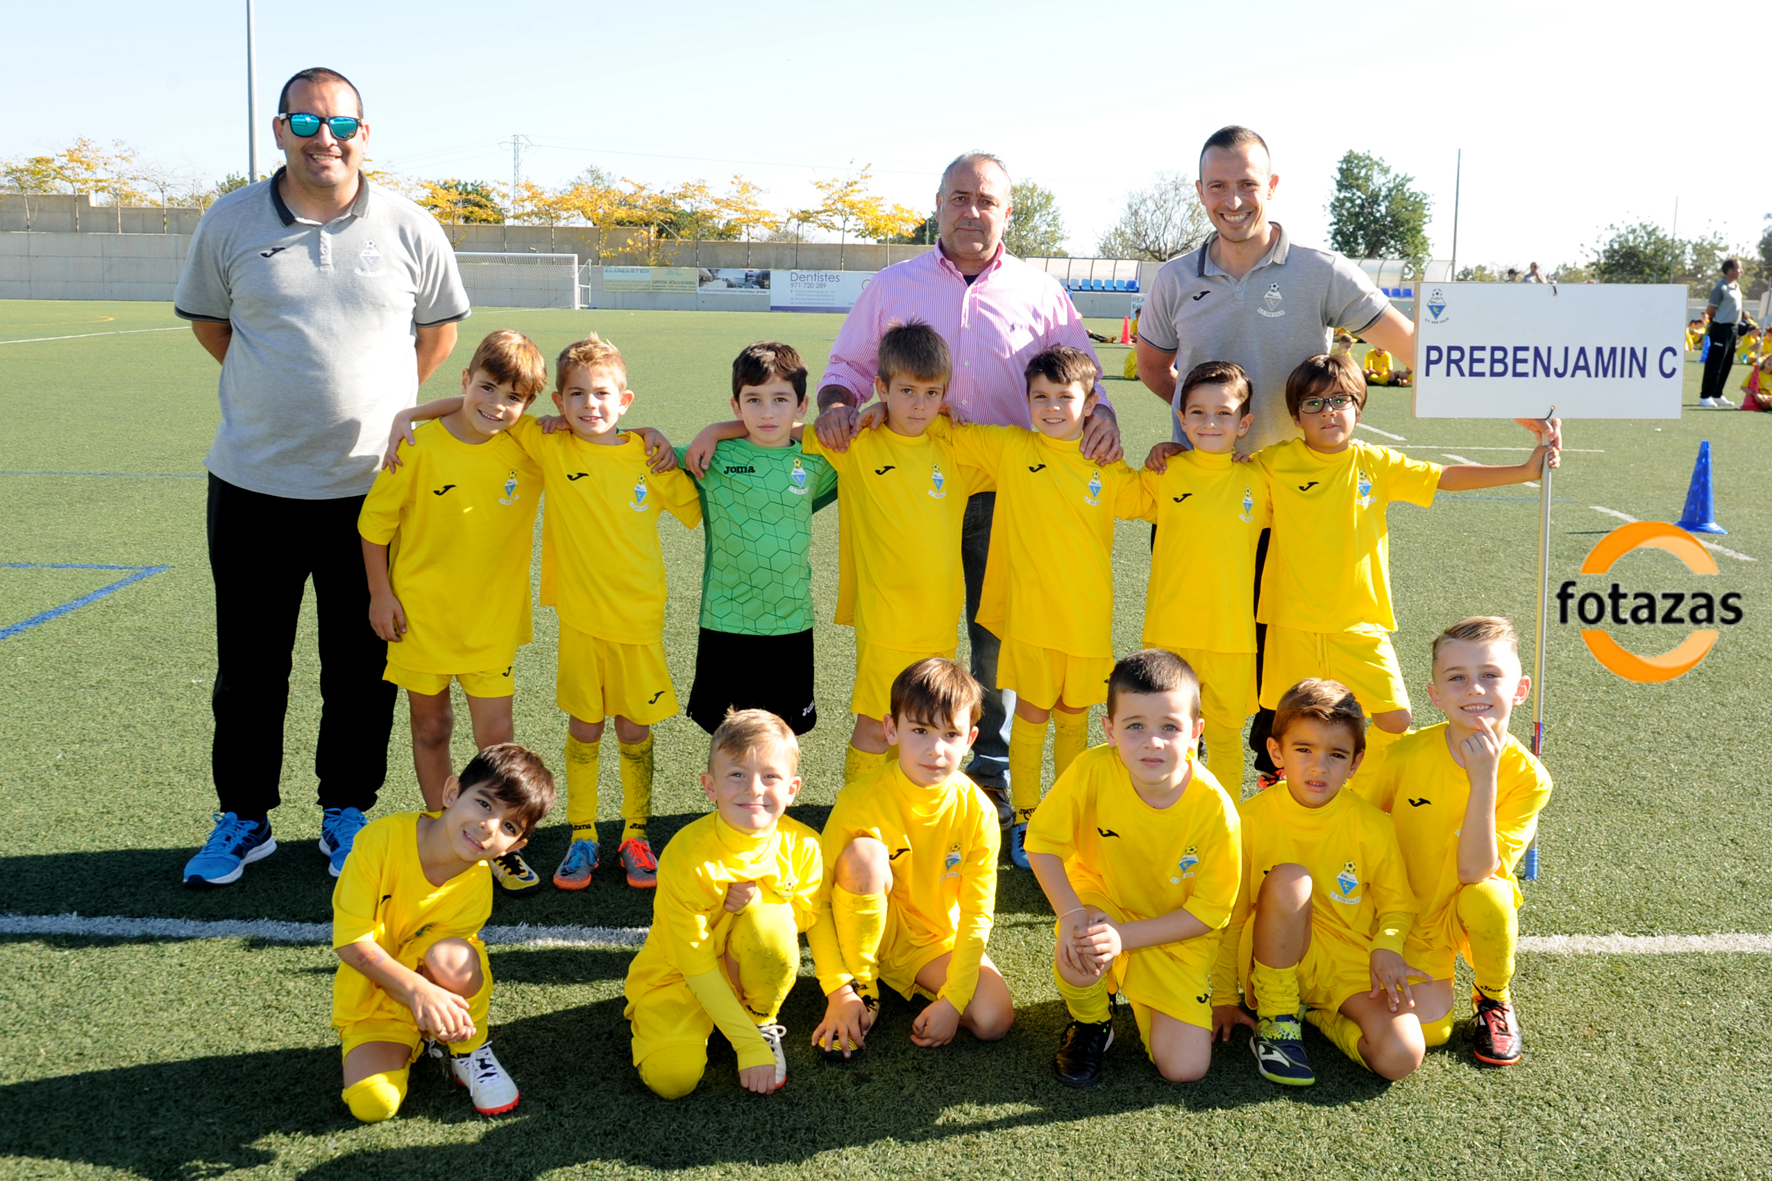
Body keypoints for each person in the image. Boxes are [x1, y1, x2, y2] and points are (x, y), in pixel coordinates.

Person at [176, 67, 470, 887]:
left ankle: (346, 808)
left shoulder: (410, 226)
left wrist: (378, 408)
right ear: (280, 131)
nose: (324, 139)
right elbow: (212, 325)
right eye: (305, 123)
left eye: (339, 124)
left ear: (364, 134)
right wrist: (278, 395)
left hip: (371, 493)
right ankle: (245, 817)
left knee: (361, 668)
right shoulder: (230, 221)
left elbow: (438, 335)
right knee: (249, 669)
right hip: (252, 486)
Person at [813, 151, 1121, 822]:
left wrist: (1104, 417)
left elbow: (1087, 377)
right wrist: (837, 404)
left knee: (996, 642)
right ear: (938, 205)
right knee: (908, 635)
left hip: (1010, 495)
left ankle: (991, 772)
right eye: (959, 197)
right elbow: (846, 368)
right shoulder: (892, 285)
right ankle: (893, 779)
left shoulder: (1042, 293)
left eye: (986, 200)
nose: (972, 211)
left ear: (1007, 212)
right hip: (911, 489)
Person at [1131, 124, 1415, 785]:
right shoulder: (1176, 278)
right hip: (1202, 498)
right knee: (1190, 657)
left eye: (1247, 184)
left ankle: (1273, 778)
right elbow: (1151, 365)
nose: (1233, 200)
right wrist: (1207, 428)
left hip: (1290, 500)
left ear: (1273, 186)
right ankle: (1186, 790)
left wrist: (1523, 408)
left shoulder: (1320, 270)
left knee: (1280, 657)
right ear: (1200, 191)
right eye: (1218, 186)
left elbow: (1408, 345)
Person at [391, 336, 695, 892]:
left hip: (639, 622)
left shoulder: (646, 456)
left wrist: (662, 440)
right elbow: (486, 408)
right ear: (557, 401)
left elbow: (699, 500)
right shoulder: (548, 442)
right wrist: (410, 415)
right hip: (578, 621)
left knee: (634, 728)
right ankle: (583, 835)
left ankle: (635, 834)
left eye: (601, 394)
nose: (589, 405)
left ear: (624, 400)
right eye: (576, 394)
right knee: (584, 727)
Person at [887, 345, 1143, 867]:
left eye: (1065, 397)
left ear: (1091, 403)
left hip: (1086, 620)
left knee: (1074, 717)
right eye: (1040, 397)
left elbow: (1149, 497)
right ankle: (1027, 817)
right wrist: (893, 408)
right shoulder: (1010, 447)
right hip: (1029, 619)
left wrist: (1167, 454)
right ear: (1026, 402)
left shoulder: (1105, 464)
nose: (1052, 407)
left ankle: (1069, 817)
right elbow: (946, 430)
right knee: (1030, 715)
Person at [1255, 353, 1559, 766]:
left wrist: (1524, 470)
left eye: (1341, 400)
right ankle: (1295, 786)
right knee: (1294, 720)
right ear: (1296, 417)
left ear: (1358, 409)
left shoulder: (1376, 463)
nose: (1328, 411)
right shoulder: (1273, 463)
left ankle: (1366, 779)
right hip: (1291, 622)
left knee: (1395, 719)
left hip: (1358, 622)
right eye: (1314, 403)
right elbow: (1226, 486)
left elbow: (1444, 477)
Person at [357, 331, 547, 895]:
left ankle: (499, 843)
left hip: (491, 623)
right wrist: (380, 595)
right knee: (431, 727)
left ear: (527, 405)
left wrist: (410, 409)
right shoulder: (417, 447)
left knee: (497, 742)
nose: (497, 406)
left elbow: (589, 428)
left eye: (513, 398)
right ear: (465, 379)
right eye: (486, 388)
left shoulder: (527, 445)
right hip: (421, 621)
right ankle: (446, 834)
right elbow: (374, 528)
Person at [1025, 649, 1242, 1087]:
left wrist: (1123, 938)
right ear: (1110, 730)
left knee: (1185, 1068)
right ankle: (1092, 1021)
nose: (1152, 742)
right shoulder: (1091, 771)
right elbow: (1042, 845)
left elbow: (1208, 914)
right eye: (1135, 726)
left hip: (1173, 934)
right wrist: (1072, 915)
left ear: (1196, 732)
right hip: (1102, 902)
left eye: (1169, 727)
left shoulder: (1217, 810)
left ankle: (1131, 980)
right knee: (1080, 942)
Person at [789, 324, 989, 787]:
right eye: (906, 392)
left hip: (939, 622)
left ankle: (901, 810)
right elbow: (777, 429)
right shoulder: (857, 442)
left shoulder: (956, 448)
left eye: (931, 393)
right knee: (877, 728)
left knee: (925, 725)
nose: (919, 405)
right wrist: (718, 431)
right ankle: (857, 813)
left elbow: (1023, 453)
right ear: (881, 388)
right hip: (884, 620)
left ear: (945, 394)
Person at [1355, 617, 1553, 1066]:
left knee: (1490, 896)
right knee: (1430, 1033)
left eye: (1490, 675)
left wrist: (1484, 780)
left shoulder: (1528, 779)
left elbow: (1473, 871)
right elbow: (1359, 826)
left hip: (1460, 909)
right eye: (1457, 678)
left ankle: (1493, 995)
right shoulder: (1404, 755)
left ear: (1520, 690)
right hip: (1405, 911)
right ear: (1435, 694)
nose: (1474, 689)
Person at [1210, 679, 1424, 1087]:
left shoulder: (1374, 826)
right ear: (1276, 752)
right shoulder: (1248, 821)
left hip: (1347, 961)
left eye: (1336, 755)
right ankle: (1277, 1018)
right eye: (1304, 750)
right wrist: (1222, 997)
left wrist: (1388, 945)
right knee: (1291, 879)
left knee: (1401, 1055)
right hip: (1272, 957)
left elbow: (1398, 907)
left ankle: (1320, 1017)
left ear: (1355, 763)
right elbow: (1230, 916)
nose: (1319, 767)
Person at [331, 743, 555, 1122]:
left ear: (515, 846)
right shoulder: (379, 841)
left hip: (436, 986)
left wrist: (429, 996)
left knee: (453, 956)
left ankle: (469, 1048)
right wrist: (416, 992)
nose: (489, 826)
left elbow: (443, 962)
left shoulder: (477, 886)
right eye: (484, 804)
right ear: (452, 792)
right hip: (376, 996)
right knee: (373, 1104)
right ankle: (418, 1036)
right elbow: (351, 943)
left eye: (509, 826)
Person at [807, 658, 1012, 1060]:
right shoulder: (859, 801)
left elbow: (977, 914)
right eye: (920, 731)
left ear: (970, 739)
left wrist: (952, 1002)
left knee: (993, 1019)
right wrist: (837, 989)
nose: (935, 750)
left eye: (950, 734)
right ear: (892, 729)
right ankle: (863, 986)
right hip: (863, 932)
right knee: (864, 855)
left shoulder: (979, 812)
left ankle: (910, 985)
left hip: (930, 942)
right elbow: (818, 900)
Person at [623, 709, 823, 1098]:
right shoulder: (687, 853)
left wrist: (760, 899)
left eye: (770, 776)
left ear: (792, 789)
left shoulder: (805, 845)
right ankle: (721, 1029)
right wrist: (745, 1047)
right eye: (737, 775)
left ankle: (759, 1017)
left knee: (771, 922)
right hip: (679, 977)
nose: (754, 789)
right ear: (710, 786)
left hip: (740, 969)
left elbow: (808, 914)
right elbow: (695, 963)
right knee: (672, 1080)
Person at [675, 342, 838, 735]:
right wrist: (712, 433)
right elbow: (644, 449)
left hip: (791, 623)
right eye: (754, 400)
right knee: (726, 734)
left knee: (784, 734)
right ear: (736, 406)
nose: (767, 412)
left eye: (780, 399)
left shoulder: (819, 461)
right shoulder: (713, 458)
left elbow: (868, 434)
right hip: (726, 622)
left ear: (801, 406)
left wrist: (718, 428)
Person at [1140, 361, 1272, 789]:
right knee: (1171, 734)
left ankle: (1224, 820)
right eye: (1198, 412)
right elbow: (1117, 496)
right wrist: (1160, 452)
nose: (1210, 422)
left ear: (1244, 423)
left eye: (1224, 413)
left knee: (1225, 737)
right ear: (1182, 419)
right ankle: (1174, 812)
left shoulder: (1260, 480)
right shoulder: (1166, 473)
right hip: (1171, 632)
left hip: (1231, 638)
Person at [1701, 259, 1746, 408]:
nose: (1741, 271)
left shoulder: (1736, 287)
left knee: (1727, 363)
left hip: (1733, 328)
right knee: (1715, 363)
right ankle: (1705, 395)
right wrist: (1718, 322)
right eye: (1739, 268)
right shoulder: (1721, 288)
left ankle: (1717, 394)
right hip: (1720, 328)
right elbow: (1710, 310)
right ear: (1730, 271)